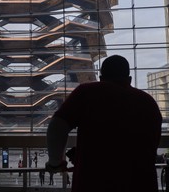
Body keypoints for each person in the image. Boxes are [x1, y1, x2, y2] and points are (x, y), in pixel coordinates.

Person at [46, 55, 162, 192]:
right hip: (141, 183)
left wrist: (55, 162)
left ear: (101, 78)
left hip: (94, 183)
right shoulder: (148, 103)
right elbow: (147, 144)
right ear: (129, 79)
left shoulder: (86, 93)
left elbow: (57, 126)